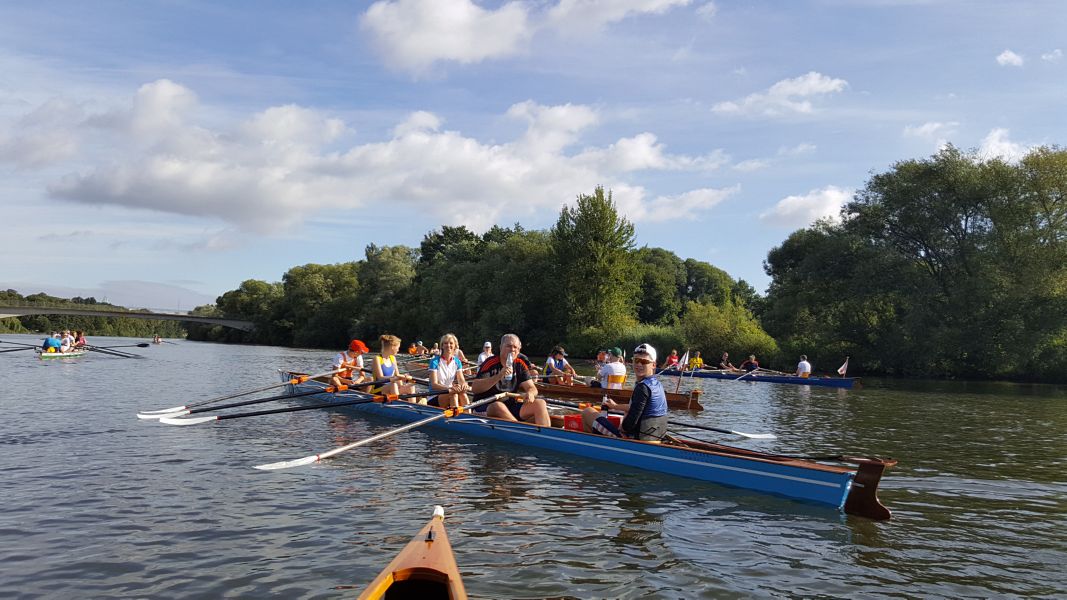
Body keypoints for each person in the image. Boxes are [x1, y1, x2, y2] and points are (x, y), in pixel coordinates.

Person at [582, 343, 668, 440]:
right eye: (636, 360)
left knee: (587, 412)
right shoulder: (657, 384)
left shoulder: (642, 388)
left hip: (634, 440)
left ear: (653, 365)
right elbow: (636, 408)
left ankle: (593, 446)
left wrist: (621, 429)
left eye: (644, 361)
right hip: (655, 438)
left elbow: (629, 425)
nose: (639, 364)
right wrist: (615, 406)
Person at [469, 333, 549, 426]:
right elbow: (475, 388)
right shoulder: (490, 363)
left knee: (540, 403)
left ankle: (547, 435)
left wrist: (531, 393)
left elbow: (532, 388)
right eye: (508, 346)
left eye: (515, 347)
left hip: (510, 405)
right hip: (485, 405)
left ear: (519, 350)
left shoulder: (520, 364)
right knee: (498, 406)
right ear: (501, 348)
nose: (512, 349)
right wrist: (499, 375)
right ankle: (519, 428)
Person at [427, 333, 470, 409]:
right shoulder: (434, 361)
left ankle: (469, 417)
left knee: (463, 394)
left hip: (450, 391)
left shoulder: (457, 362)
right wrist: (449, 388)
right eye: (445, 343)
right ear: (442, 346)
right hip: (435, 396)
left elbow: (461, 379)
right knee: (453, 394)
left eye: (451, 343)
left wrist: (464, 385)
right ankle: (455, 418)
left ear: (455, 346)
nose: (448, 345)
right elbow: (434, 384)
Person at [371, 334, 416, 399]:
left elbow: (397, 374)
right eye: (398, 347)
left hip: (392, 387)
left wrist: (405, 376)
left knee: (411, 387)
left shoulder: (393, 358)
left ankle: (412, 408)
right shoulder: (377, 359)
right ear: (392, 347)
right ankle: (397, 405)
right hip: (379, 389)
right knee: (393, 385)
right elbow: (380, 378)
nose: (398, 350)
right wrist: (396, 377)